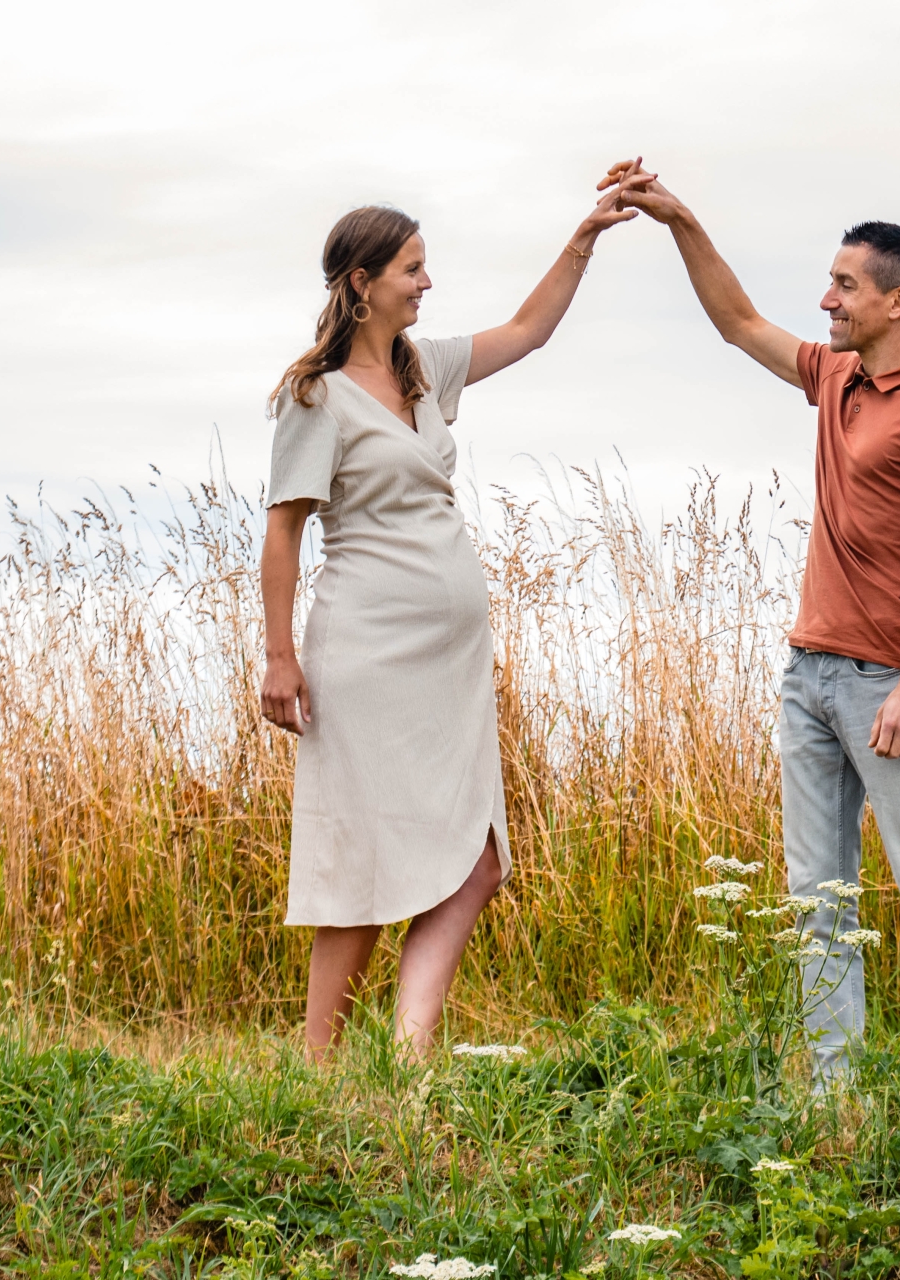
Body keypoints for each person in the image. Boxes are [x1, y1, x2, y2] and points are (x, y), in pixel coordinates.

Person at [604, 160, 900, 1082]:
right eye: (829, 283)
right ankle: (833, 1093)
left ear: (898, 302)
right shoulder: (837, 379)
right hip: (808, 676)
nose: (827, 300)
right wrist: (679, 221)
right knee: (815, 901)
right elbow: (739, 323)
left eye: (845, 286)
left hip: (883, 688)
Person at [261, 191, 636, 1060]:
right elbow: (283, 530)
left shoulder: (425, 370)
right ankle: (316, 1070)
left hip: (448, 667)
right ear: (362, 283)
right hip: (365, 650)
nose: (428, 282)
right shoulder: (316, 399)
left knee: (478, 863)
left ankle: (411, 1056)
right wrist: (280, 657)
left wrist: (582, 237)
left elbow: (529, 329)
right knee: (361, 866)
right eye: (412, 269)